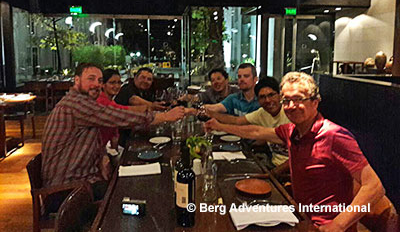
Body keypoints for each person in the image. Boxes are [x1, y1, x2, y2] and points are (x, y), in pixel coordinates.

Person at [206, 72, 385, 231]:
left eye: (299, 99)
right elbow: (256, 131)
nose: (291, 106)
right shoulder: (292, 131)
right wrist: (219, 126)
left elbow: (375, 187)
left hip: (325, 225)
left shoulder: (334, 136)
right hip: (301, 219)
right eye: (286, 100)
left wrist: (338, 224)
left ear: (315, 102)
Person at [41, 63, 184, 204]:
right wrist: (164, 117)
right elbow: (119, 116)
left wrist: (102, 156)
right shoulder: (76, 104)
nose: (96, 84)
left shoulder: (80, 102)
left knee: (132, 181)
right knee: (133, 189)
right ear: (76, 80)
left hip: (79, 180)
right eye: (91, 79)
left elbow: (90, 137)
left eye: (99, 80)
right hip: (66, 189)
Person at [207, 77, 290, 173]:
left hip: (289, 172)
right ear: (258, 100)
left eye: (271, 95)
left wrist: (275, 173)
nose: (267, 100)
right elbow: (237, 121)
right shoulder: (262, 113)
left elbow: (256, 132)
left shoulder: (290, 114)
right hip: (272, 165)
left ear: (280, 95)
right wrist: (212, 117)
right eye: (262, 97)